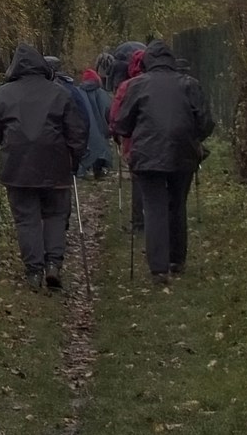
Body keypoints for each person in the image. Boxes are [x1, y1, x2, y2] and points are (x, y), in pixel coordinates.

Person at [0, 41, 87, 289]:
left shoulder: (3, 94)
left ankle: (34, 271)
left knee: (26, 219)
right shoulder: (60, 93)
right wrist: (74, 160)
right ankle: (53, 265)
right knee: (56, 215)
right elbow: (77, 133)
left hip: (17, 168)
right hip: (56, 166)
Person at [113, 36, 212, 285]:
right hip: (183, 153)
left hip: (147, 156)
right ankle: (177, 259)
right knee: (177, 204)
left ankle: (158, 268)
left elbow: (122, 123)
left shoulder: (137, 85)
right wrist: (194, 137)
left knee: (154, 207)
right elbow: (206, 122)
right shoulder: (189, 84)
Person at [108, 42, 148, 232]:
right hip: (167, 142)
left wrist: (116, 134)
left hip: (135, 144)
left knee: (139, 181)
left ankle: (139, 221)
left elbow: (116, 115)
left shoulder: (127, 86)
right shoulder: (169, 82)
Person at [75, 52, 117, 180]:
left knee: (86, 148)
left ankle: (83, 171)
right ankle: (98, 171)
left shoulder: (78, 92)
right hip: (100, 127)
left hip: (85, 128)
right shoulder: (102, 93)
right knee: (100, 149)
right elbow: (108, 110)